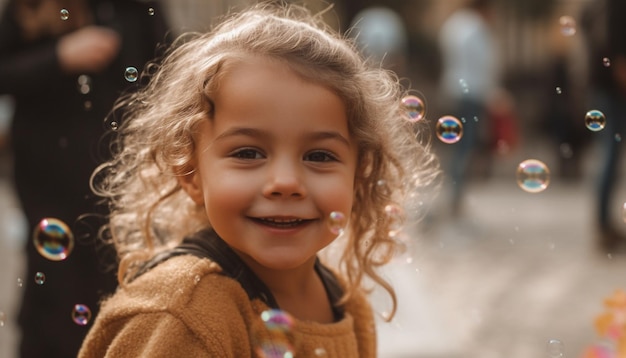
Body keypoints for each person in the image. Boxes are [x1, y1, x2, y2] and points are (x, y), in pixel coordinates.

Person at [77, 3, 439, 357]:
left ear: (359, 177)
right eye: (248, 153)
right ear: (191, 173)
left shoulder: (348, 304)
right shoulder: (181, 316)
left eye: (319, 156)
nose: (285, 182)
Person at [0, 0, 169, 356]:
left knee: (113, 271)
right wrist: (59, 56)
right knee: (55, 280)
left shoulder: (139, 6)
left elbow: (166, 70)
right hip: (47, 172)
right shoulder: (27, 6)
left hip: (120, 170)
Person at [437, 0, 500, 217]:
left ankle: (453, 195)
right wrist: (493, 93)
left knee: (457, 145)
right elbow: (482, 64)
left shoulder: (453, 24)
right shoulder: (477, 28)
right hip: (472, 93)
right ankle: (456, 198)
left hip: (453, 89)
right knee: (465, 147)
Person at [581, 0, 626, 251]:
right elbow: (617, 44)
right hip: (613, 89)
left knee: (610, 152)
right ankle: (602, 225)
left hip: (602, 86)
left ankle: (604, 223)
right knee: (611, 153)